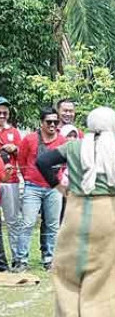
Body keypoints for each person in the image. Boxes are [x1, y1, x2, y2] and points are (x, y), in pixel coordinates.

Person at [36, 106, 115, 317]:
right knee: (104, 278)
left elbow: (42, 161)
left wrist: (58, 186)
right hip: (108, 214)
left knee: (68, 277)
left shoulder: (73, 146)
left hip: (76, 212)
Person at [16, 107, 66, 271]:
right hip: (33, 187)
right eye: (49, 122)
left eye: (55, 122)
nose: (52, 125)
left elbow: (65, 163)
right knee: (27, 223)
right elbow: (21, 160)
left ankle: (50, 259)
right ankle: (21, 259)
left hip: (54, 188)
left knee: (53, 225)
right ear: (41, 122)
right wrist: (29, 177)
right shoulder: (29, 139)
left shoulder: (62, 140)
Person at [0, 96, 22, 272]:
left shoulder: (13, 132)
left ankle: (16, 258)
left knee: (13, 220)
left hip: (11, 180)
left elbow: (22, 153)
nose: (2, 116)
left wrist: (14, 148)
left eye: (4, 112)